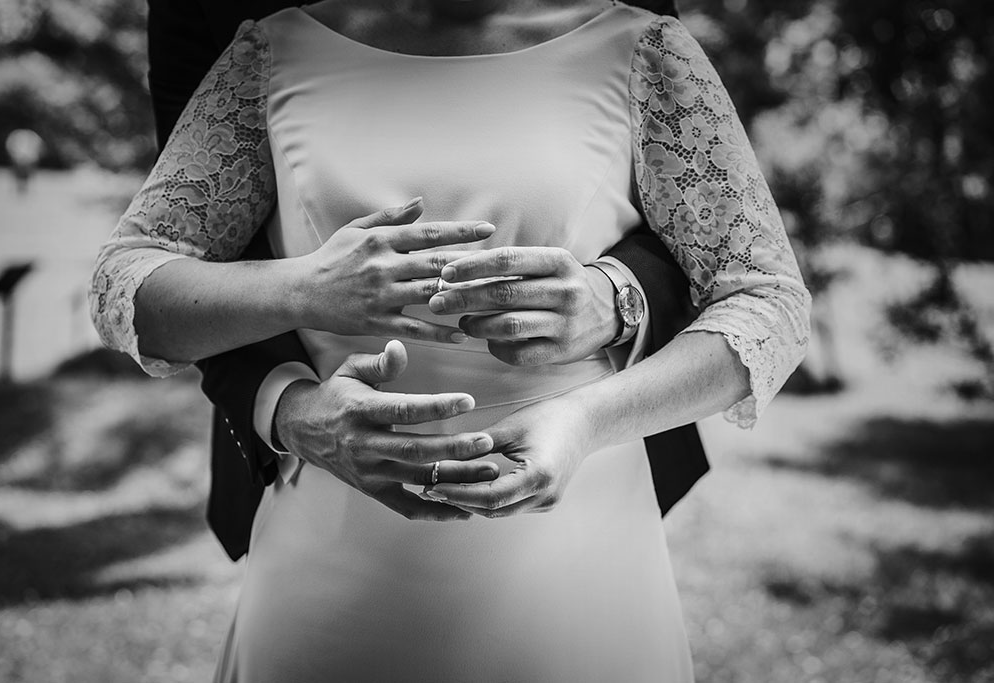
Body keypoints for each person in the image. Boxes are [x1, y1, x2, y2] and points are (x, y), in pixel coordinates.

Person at [91, 0, 811, 679]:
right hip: (329, 564)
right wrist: (306, 289)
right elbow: (127, 280)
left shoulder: (641, 50)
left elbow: (766, 300)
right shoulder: (273, 51)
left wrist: (588, 415)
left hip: (577, 566)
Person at [145, 0, 709, 561]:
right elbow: (184, 255)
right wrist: (288, 406)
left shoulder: (634, 40)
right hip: (323, 506)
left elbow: (716, 247)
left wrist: (616, 298)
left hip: (589, 496)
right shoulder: (266, 46)